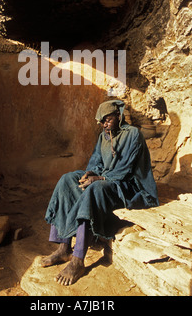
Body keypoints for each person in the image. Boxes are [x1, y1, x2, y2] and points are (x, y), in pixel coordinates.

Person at [40, 99, 159, 285]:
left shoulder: (133, 134)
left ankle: (78, 259)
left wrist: (99, 179)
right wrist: (91, 172)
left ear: (118, 116)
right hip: (106, 179)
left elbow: (125, 170)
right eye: (101, 121)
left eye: (108, 119)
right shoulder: (104, 134)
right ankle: (64, 248)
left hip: (129, 187)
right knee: (67, 179)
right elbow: (96, 160)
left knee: (96, 188)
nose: (104, 124)